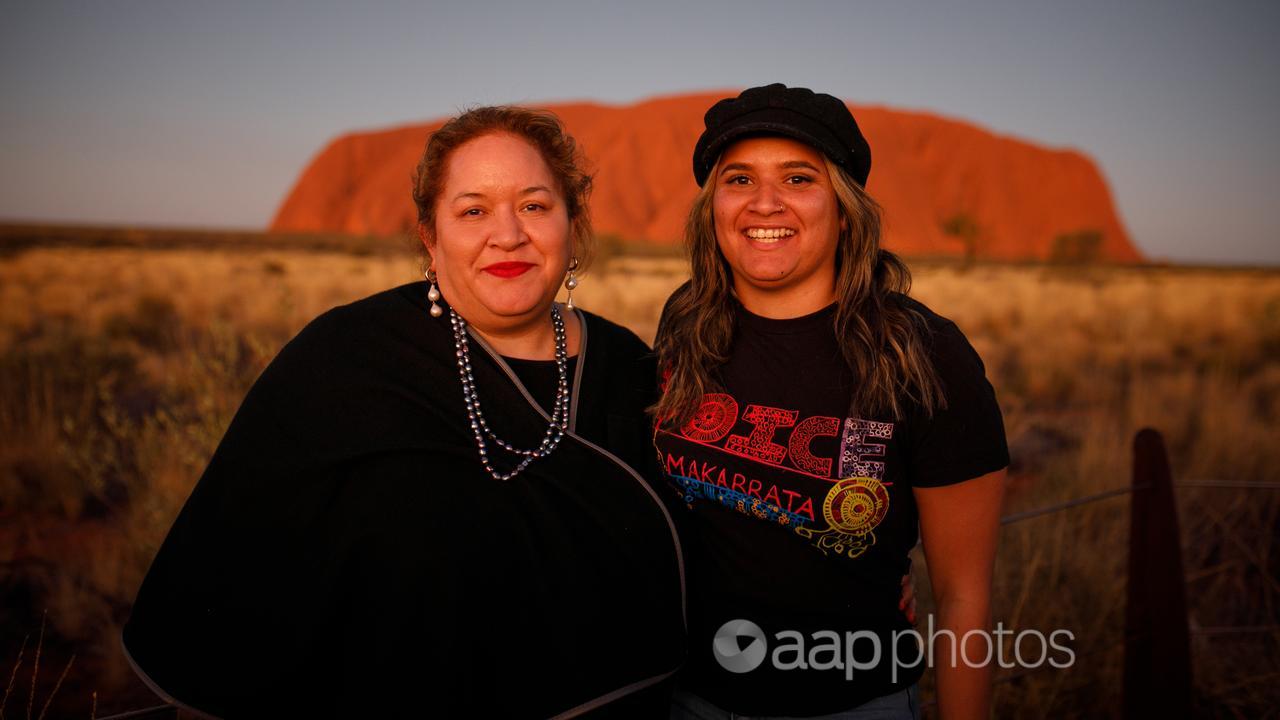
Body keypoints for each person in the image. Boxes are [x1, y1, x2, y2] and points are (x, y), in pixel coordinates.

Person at [121, 106, 687, 718]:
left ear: (572, 224)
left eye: (534, 205)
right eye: (473, 211)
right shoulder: (347, 360)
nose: (508, 235)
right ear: (430, 235)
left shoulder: (628, 367)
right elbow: (230, 578)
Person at [652, 85, 1009, 719]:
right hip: (690, 697)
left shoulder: (922, 353)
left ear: (844, 209)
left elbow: (963, 597)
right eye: (739, 178)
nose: (765, 202)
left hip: (850, 703)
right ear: (714, 207)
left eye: (798, 177)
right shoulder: (686, 326)